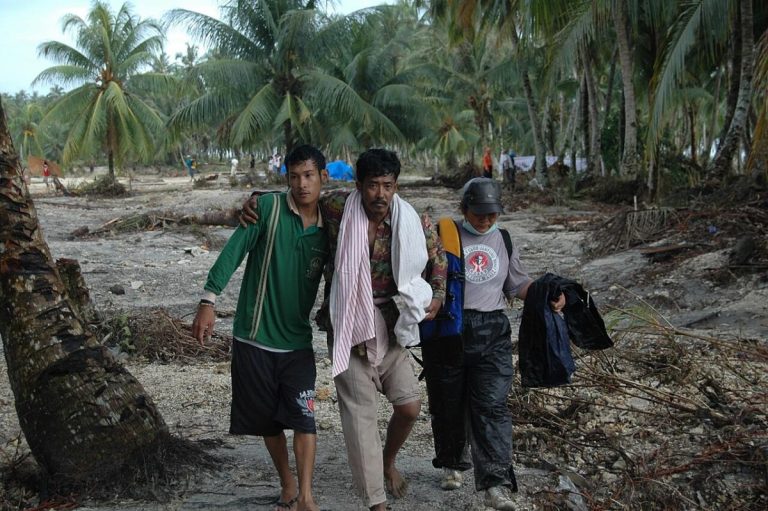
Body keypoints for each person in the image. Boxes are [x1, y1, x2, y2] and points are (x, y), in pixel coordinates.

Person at [242, 148, 447, 511]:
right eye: (372, 185)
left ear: (396, 186)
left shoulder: (414, 221)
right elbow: (300, 197)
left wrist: (438, 296)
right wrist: (257, 200)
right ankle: (376, 503)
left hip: (391, 326)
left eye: (387, 185)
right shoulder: (337, 208)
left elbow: (439, 258)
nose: (380, 194)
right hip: (348, 324)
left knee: (410, 407)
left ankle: (387, 461)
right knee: (361, 419)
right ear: (358, 185)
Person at [193, 144, 330, 511]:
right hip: (254, 338)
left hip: (298, 342)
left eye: (309, 176)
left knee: (304, 418)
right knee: (268, 422)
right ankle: (287, 483)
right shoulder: (266, 209)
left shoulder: (331, 226)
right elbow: (234, 251)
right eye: (294, 177)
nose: (302, 184)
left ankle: (306, 497)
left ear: (323, 177)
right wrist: (208, 300)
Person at [420, 177, 564, 510]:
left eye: (492, 214)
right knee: (448, 403)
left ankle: (496, 484)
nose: (486, 220)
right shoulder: (443, 236)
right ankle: (452, 462)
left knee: (492, 407)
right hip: (449, 331)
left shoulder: (504, 240)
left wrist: (547, 294)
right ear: (464, 209)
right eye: (479, 213)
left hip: (492, 331)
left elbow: (518, 285)